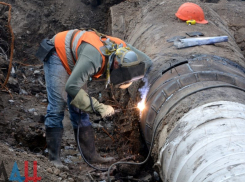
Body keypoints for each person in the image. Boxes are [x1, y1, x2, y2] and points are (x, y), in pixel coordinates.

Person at [42, 29, 152, 168]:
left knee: (79, 109)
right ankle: (54, 160)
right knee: (57, 106)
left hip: (78, 57)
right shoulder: (94, 59)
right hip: (58, 53)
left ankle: (91, 156)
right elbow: (71, 87)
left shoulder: (125, 49)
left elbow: (148, 61)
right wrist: (100, 107)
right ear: (116, 65)